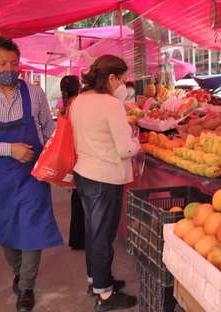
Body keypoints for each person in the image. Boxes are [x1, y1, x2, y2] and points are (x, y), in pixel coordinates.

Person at [0, 37, 62, 312]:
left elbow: (49, 130)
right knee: (6, 231)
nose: (10, 69)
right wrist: (8, 148)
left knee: (32, 228)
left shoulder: (34, 93)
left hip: (31, 176)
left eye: (14, 63)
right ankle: (18, 270)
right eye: (2, 63)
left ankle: (26, 286)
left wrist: (58, 160)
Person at [71, 55, 139, 311]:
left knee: (93, 231)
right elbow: (124, 150)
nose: (124, 85)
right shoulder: (110, 104)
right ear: (111, 78)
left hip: (86, 174)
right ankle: (106, 295)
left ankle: (96, 280)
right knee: (102, 236)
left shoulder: (80, 100)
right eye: (122, 79)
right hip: (104, 176)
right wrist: (137, 142)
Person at [59, 75, 85, 250]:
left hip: (70, 154)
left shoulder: (65, 106)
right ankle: (80, 238)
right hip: (79, 154)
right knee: (82, 200)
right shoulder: (79, 104)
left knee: (77, 199)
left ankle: (76, 239)